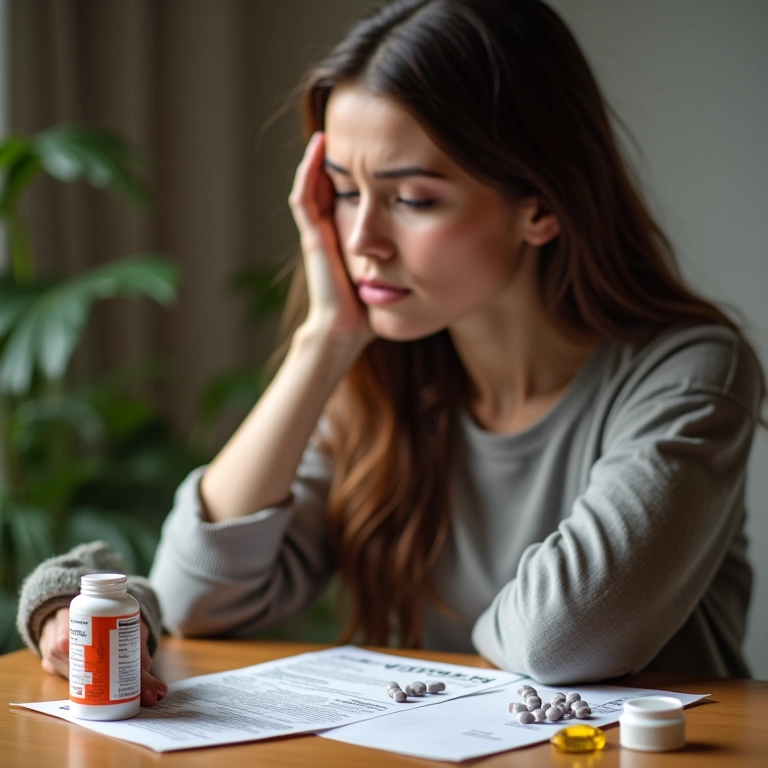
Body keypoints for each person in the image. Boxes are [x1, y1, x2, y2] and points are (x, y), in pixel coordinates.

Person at [18, 0, 765, 700]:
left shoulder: (693, 372)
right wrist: (322, 341)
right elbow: (197, 600)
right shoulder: (379, 379)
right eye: (343, 191)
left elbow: (567, 639)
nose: (362, 241)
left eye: (412, 199)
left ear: (539, 206)